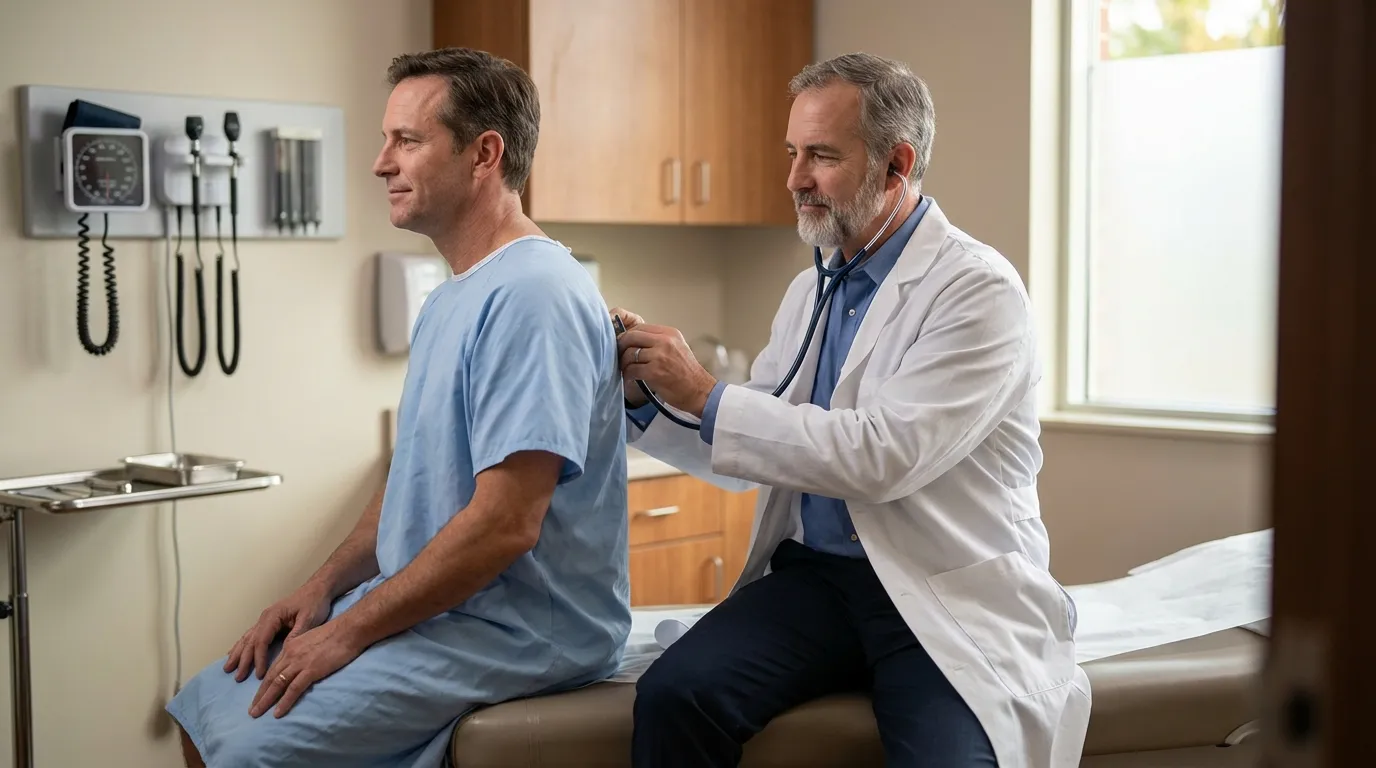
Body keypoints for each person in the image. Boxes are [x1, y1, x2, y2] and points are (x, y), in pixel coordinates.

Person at [614, 52, 1090, 768]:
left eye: (821, 156)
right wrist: (642, 393)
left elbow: (882, 456)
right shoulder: (813, 291)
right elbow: (756, 451)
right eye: (792, 153)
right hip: (819, 585)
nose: (795, 178)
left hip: (941, 590)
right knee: (676, 696)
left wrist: (706, 392)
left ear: (897, 165)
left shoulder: (978, 291)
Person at [166, 47, 631, 768]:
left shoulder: (535, 293)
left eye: (406, 141)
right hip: (444, 611)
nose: (381, 163)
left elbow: (505, 524)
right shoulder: (453, 297)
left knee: (250, 750)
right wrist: (320, 590)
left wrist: (352, 633)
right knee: (205, 710)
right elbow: (415, 481)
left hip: (521, 629)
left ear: (484, 154)